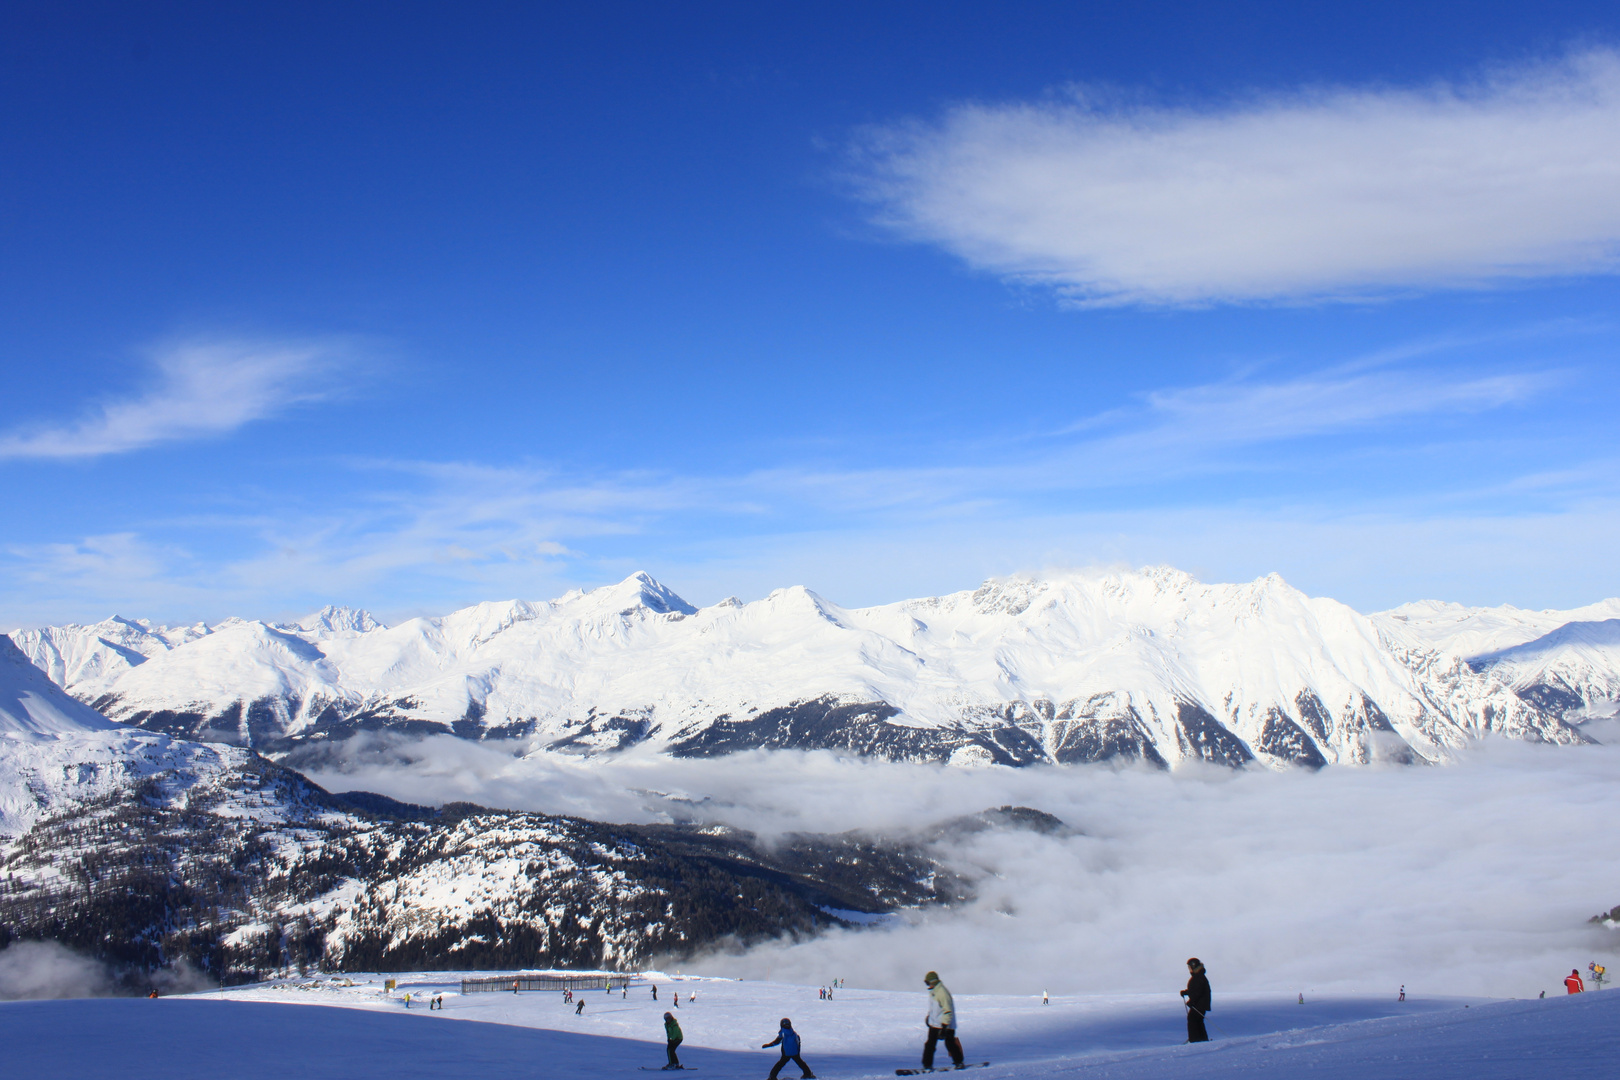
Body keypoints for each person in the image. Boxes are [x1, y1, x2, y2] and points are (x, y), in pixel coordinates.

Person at [921, 971, 964, 1069]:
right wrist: (929, 1018)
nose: (927, 985)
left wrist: (944, 1027)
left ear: (933, 982)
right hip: (935, 1024)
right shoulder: (934, 992)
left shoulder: (942, 993)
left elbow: (948, 1011)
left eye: (928, 983)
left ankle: (959, 1062)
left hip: (946, 1025)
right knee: (930, 1045)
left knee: (950, 1043)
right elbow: (935, 1008)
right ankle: (927, 1065)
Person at [1180, 958, 1211, 1043]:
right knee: (1198, 1021)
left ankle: (1195, 1040)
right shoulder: (1198, 976)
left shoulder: (1198, 977)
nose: (1189, 969)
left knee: (1193, 1020)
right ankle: (1202, 1039)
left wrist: (1192, 1002)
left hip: (1199, 1004)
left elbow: (1198, 992)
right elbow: (1195, 990)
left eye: (1190, 967)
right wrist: (1186, 992)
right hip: (1200, 1004)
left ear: (1193, 966)